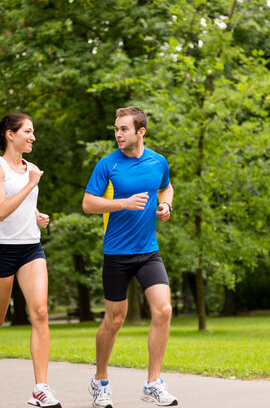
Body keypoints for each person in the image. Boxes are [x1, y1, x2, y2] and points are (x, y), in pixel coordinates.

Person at [82, 106, 178, 407]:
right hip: (116, 254)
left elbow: (167, 187)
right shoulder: (108, 165)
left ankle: (153, 383)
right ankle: (100, 381)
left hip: (149, 252)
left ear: (141, 132)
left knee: (163, 310)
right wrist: (122, 203)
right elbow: (87, 204)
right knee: (114, 319)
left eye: (123, 129)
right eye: (116, 129)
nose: (118, 134)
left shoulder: (158, 162)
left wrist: (167, 207)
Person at [0, 113, 60, 408]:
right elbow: (0, 211)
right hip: (1, 251)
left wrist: (37, 216)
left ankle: (40, 388)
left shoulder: (30, 168)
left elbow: (22, 207)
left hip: (31, 249)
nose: (33, 137)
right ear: (11, 134)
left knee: (41, 312)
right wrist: (30, 184)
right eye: (28, 131)